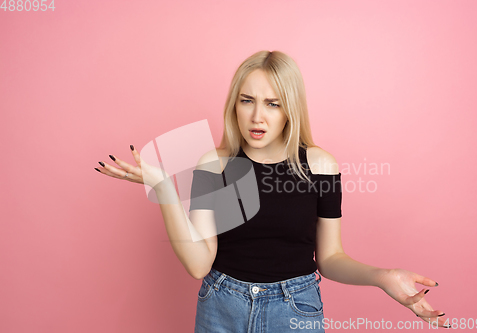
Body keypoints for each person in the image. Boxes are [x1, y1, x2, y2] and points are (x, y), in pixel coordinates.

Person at [94, 50, 448, 332]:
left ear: (289, 109)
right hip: (221, 308)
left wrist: (383, 278)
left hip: (294, 310)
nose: (257, 117)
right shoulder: (216, 164)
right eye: (247, 100)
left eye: (272, 103)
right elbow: (199, 264)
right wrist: (163, 188)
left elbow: (330, 259)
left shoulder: (320, 165)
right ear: (235, 104)